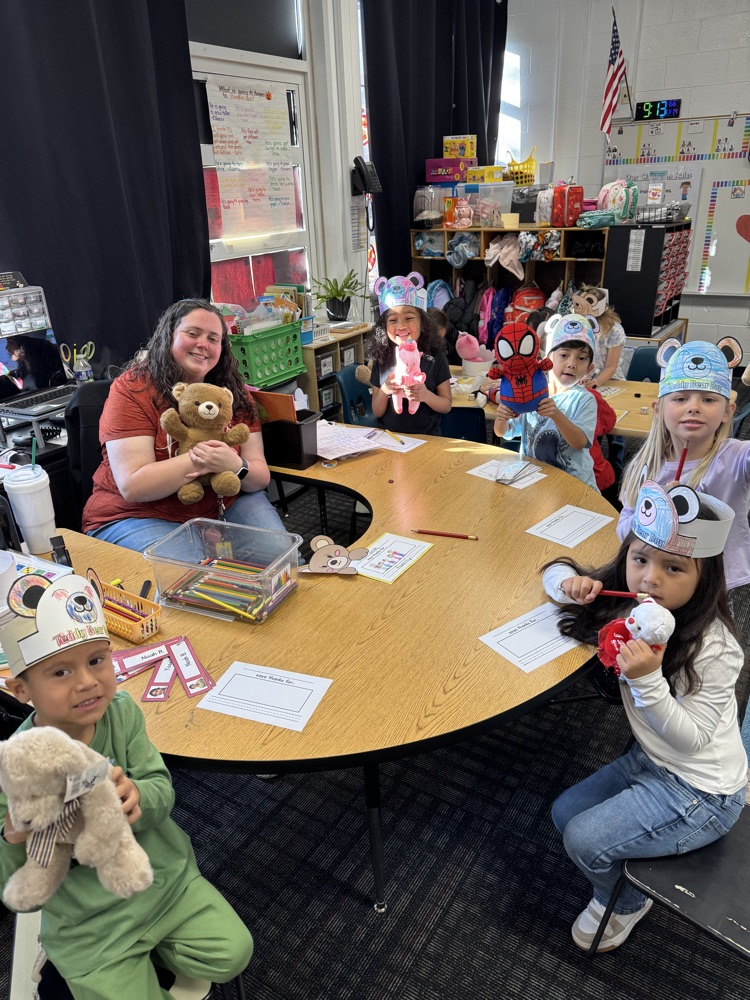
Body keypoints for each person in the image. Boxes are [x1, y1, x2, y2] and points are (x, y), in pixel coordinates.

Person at [0, 574, 253, 998]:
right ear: (21, 689)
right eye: (60, 671)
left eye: (97, 660)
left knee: (232, 952)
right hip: (91, 924)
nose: (87, 681)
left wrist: (138, 797)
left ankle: (148, 950)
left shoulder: (121, 713)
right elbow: (16, 887)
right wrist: (13, 835)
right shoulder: (13, 767)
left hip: (164, 884)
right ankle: (71, 961)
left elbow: (161, 789)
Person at [543, 481, 745, 953]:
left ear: (704, 579)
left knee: (584, 840)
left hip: (703, 790)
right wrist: (569, 585)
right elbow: (555, 570)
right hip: (651, 759)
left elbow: (691, 741)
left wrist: (649, 679)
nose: (649, 579)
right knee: (564, 812)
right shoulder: (634, 603)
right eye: (640, 560)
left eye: (673, 568)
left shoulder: (715, 648)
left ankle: (627, 902)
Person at [82, 298, 287, 551]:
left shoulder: (232, 392)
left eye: (213, 338)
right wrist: (205, 458)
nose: (203, 344)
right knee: (189, 573)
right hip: (138, 514)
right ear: (168, 336)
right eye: (192, 333)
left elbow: (259, 477)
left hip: (223, 503)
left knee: (283, 557)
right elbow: (133, 486)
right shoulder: (133, 390)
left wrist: (235, 465)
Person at [618, 339, 750, 592]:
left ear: (727, 411)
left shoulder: (735, 457)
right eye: (680, 398)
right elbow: (625, 527)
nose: (693, 407)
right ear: (658, 409)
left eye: (708, 400)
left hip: (716, 585)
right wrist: (655, 513)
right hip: (660, 582)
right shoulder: (645, 465)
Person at [492, 315, 599, 490]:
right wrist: (501, 417)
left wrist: (556, 415)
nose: (572, 364)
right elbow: (503, 432)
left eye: (581, 358)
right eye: (564, 355)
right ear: (547, 360)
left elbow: (579, 443)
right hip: (534, 481)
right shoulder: (529, 392)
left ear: (589, 368)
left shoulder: (584, 399)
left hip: (575, 484)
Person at [368, 275, 451, 436]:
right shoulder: (381, 358)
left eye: (409, 318)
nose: (401, 326)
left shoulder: (436, 357)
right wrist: (385, 390)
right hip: (392, 438)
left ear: (422, 322)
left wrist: (426, 395)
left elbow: (446, 405)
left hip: (428, 438)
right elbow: (377, 411)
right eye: (393, 320)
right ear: (384, 326)